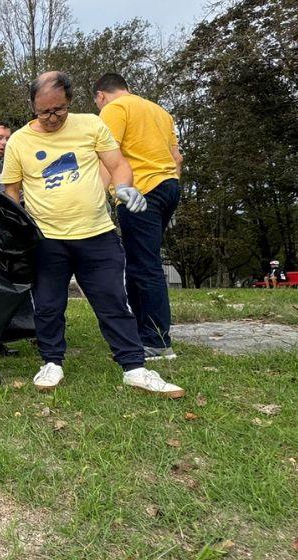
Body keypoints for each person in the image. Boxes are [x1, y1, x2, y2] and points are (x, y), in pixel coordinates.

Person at [1, 71, 183, 398]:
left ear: (70, 101)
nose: (52, 117)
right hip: (47, 239)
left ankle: (134, 367)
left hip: (97, 233)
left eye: (58, 109)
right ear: (33, 107)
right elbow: (11, 191)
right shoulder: (19, 141)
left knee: (113, 300)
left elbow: (119, 164)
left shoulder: (91, 125)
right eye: (44, 112)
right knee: (48, 305)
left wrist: (125, 187)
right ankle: (52, 362)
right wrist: (16, 229)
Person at [94, 72, 183, 361]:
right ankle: (142, 332)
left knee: (145, 265)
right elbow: (177, 157)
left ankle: (157, 341)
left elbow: (109, 156)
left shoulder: (114, 109)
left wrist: (98, 198)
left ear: (101, 95)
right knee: (140, 261)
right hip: (168, 186)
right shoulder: (159, 111)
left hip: (139, 190)